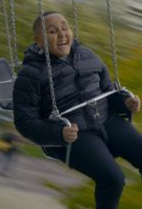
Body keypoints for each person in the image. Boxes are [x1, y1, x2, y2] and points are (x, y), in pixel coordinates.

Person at [13, 11, 141, 209]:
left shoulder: (87, 55)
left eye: (65, 28)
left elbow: (109, 90)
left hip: (107, 119)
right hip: (75, 134)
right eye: (53, 31)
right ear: (38, 41)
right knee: (113, 179)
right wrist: (59, 133)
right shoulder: (31, 74)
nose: (62, 34)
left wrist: (125, 102)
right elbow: (24, 122)